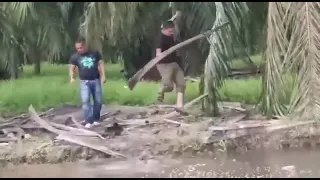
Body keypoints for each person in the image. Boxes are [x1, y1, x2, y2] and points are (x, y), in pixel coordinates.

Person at [69, 37, 106, 128]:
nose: (79, 50)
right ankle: (88, 121)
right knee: (85, 101)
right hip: (84, 82)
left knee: (98, 101)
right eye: (77, 48)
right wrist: (72, 77)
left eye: (81, 48)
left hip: (95, 80)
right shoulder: (75, 56)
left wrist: (103, 76)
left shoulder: (95, 53)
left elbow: (100, 64)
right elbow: (71, 68)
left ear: (85, 45)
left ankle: (96, 119)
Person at [155, 21, 185, 109]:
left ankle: (180, 105)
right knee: (169, 86)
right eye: (170, 31)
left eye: (172, 31)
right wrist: (159, 54)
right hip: (164, 65)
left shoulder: (170, 36)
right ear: (164, 30)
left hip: (174, 63)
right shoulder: (160, 38)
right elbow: (158, 52)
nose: (172, 33)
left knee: (181, 84)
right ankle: (160, 92)